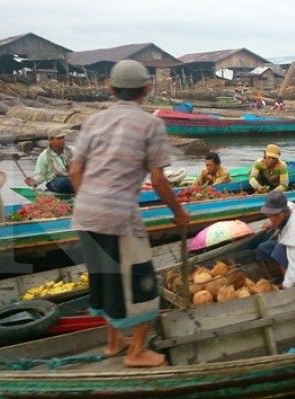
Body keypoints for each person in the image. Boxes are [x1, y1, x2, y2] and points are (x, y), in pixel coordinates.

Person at [69, 60, 190, 368]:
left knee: (105, 278)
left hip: (84, 214)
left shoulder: (94, 121)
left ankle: (113, 343)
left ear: (110, 89)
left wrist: (92, 200)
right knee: (142, 284)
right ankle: (136, 351)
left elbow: (75, 170)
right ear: (147, 90)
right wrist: (179, 213)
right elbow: (160, 180)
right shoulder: (151, 124)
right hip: (119, 217)